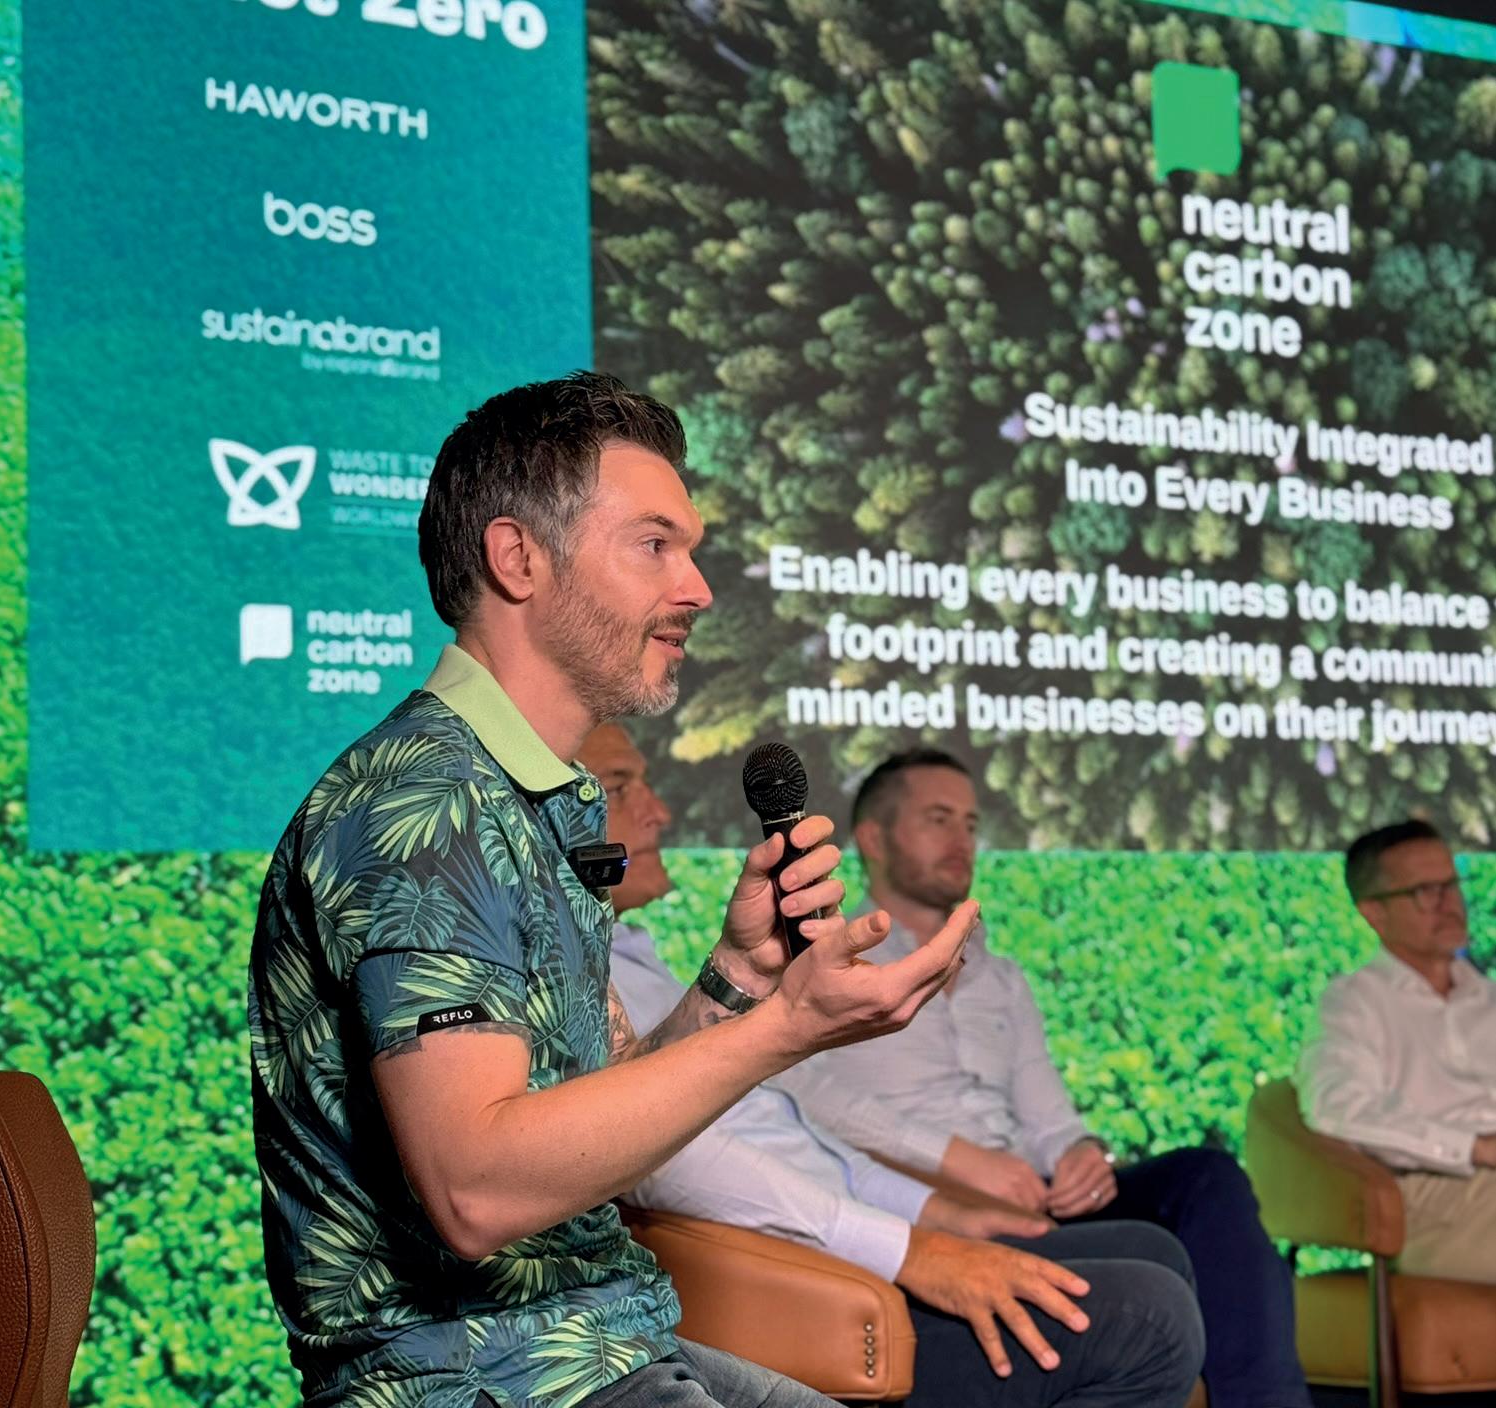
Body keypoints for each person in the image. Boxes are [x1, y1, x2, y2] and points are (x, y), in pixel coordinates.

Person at [248, 373, 984, 1408]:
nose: (697, 589)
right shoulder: (425, 804)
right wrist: (785, 1032)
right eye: (653, 545)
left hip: (593, 1342)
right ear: (517, 558)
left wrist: (735, 984)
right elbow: (475, 1187)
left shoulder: (530, 795)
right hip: (477, 1377)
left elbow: (579, 1115)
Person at [580, 722, 1206, 1407]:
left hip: (871, 1231)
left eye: (970, 823)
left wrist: (937, 1212)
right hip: (811, 1285)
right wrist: (912, 1242)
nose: (659, 811)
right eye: (619, 787)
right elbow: (661, 1151)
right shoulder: (589, 973)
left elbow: (795, 1138)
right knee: (1150, 1315)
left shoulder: (639, 959)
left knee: (1157, 1247)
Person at [779, 749, 1311, 1408]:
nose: (961, 841)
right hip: (921, 1204)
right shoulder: (825, 960)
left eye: (970, 824)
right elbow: (797, 1093)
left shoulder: (1001, 977)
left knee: (1205, 1177)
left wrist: (1081, 1153)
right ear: (873, 838)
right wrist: (954, 1159)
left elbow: (1048, 1116)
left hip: (1032, 1196)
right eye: (938, 820)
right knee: (1149, 1266)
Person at [1297, 819, 1496, 1284]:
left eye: (1452, 884)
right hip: (1438, 1193)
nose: (1450, 904)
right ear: (1374, 912)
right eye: (1425, 892)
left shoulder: (1487, 999)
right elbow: (1337, 1107)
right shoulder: (1352, 1003)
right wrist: (1475, 1148)